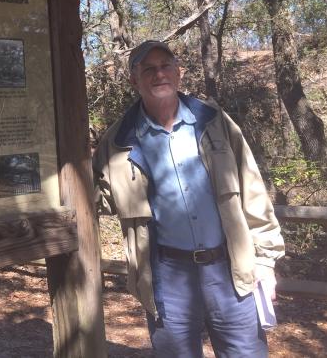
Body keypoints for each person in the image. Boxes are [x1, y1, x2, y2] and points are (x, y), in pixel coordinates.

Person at [93, 40, 284, 357]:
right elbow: (94, 197)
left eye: (165, 66)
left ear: (178, 73)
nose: (159, 75)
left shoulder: (214, 122)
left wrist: (265, 260)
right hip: (166, 277)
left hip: (229, 270)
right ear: (133, 80)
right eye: (148, 69)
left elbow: (252, 189)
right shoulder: (117, 140)